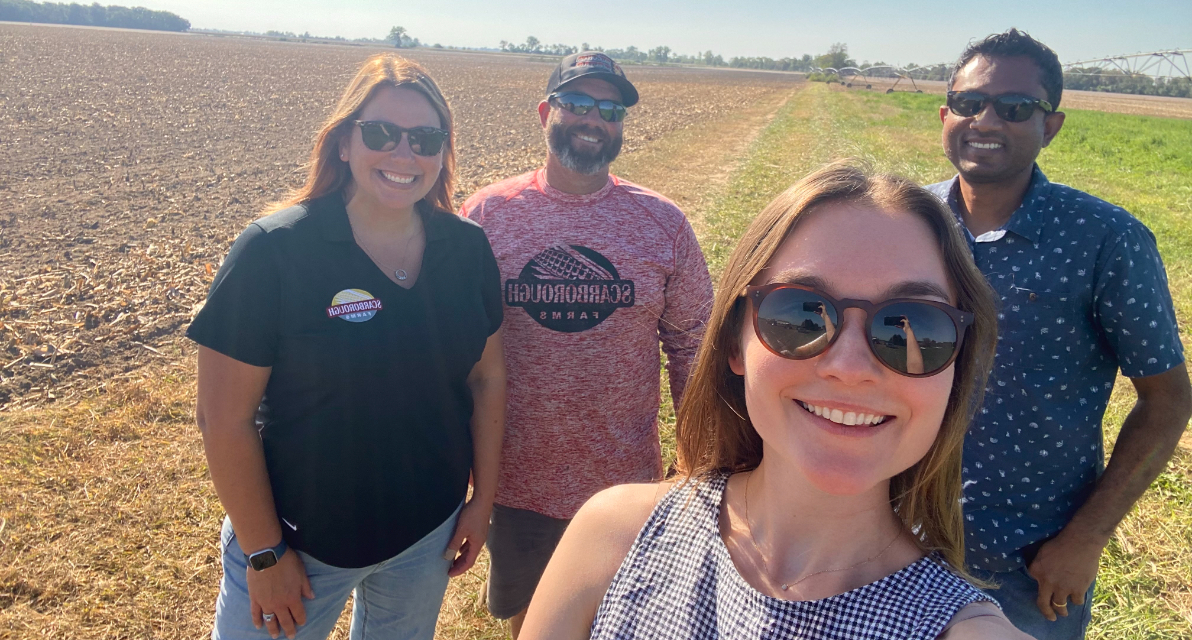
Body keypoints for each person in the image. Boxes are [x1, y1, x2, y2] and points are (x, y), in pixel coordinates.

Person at [520, 164, 1032, 639]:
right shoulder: (613, 534)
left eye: (915, 326)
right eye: (801, 316)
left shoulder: (964, 629)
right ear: (734, 344)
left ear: (956, 370)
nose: (849, 368)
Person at [188, 53, 506, 640]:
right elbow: (222, 419)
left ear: (444, 150)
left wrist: (481, 501)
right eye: (381, 133)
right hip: (300, 548)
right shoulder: (275, 252)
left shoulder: (467, 250)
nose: (404, 154)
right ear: (343, 143)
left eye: (426, 138)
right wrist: (263, 553)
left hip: (425, 537)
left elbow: (486, 378)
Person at [926, 29, 1191, 638]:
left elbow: (1168, 397)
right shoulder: (908, 221)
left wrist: (1087, 538)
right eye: (969, 103)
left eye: (1015, 108)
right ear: (945, 115)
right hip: (890, 531)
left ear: (1051, 126)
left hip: (1029, 560)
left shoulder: (1105, 239)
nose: (986, 120)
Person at [458, 51, 714, 636]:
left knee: (618, 619)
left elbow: (694, 347)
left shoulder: (661, 222)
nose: (593, 120)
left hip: (624, 477)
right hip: (517, 476)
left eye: (610, 109)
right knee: (532, 621)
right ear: (546, 112)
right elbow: (454, 354)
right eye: (576, 104)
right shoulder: (485, 217)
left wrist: (699, 457)